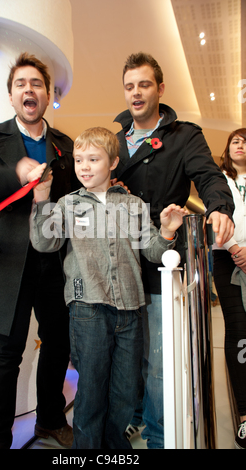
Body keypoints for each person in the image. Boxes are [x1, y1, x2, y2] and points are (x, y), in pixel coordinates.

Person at [28, 126, 188, 449]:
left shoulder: (132, 205)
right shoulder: (68, 204)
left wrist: (168, 231)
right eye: (78, 160)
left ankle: (114, 448)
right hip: (88, 309)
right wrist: (42, 199)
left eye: (93, 159)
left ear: (113, 162)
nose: (84, 167)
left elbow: (154, 249)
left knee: (126, 392)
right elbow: (45, 242)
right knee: (92, 391)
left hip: (130, 309)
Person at [0, 52, 79, 449]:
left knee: (58, 343)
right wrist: (14, 174)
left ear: (48, 96)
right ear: (11, 96)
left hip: (54, 261)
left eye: (37, 84)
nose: (29, 89)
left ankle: (49, 420)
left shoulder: (64, 145)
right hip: (6, 261)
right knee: (4, 356)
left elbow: (79, 196)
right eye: (21, 84)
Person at [111, 52, 235, 448]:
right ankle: (132, 418)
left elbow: (210, 178)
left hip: (162, 261)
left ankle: (160, 437)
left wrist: (219, 209)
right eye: (129, 86)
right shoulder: (114, 140)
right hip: (117, 262)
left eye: (144, 85)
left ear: (160, 89)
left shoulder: (185, 135)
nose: (136, 93)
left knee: (160, 362)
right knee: (125, 355)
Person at [212, 129, 246, 449]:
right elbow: (216, 217)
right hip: (226, 258)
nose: (240, 144)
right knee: (237, 329)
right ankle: (245, 414)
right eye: (235, 140)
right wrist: (237, 248)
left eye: (245, 141)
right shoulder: (218, 178)